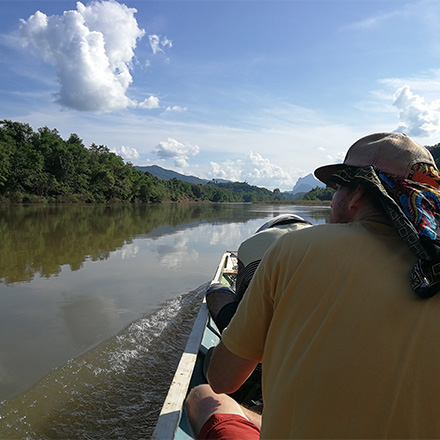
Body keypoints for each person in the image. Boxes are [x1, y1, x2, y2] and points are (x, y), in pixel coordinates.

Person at [185, 132, 440, 439]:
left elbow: (222, 380)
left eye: (336, 189)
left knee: (203, 397)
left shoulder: (294, 249)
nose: (332, 201)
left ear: (357, 193)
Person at [206, 214, 312, 334]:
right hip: (316, 327)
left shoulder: (250, 244)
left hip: (263, 335)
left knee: (215, 290)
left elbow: (242, 299)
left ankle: (232, 340)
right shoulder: (326, 240)